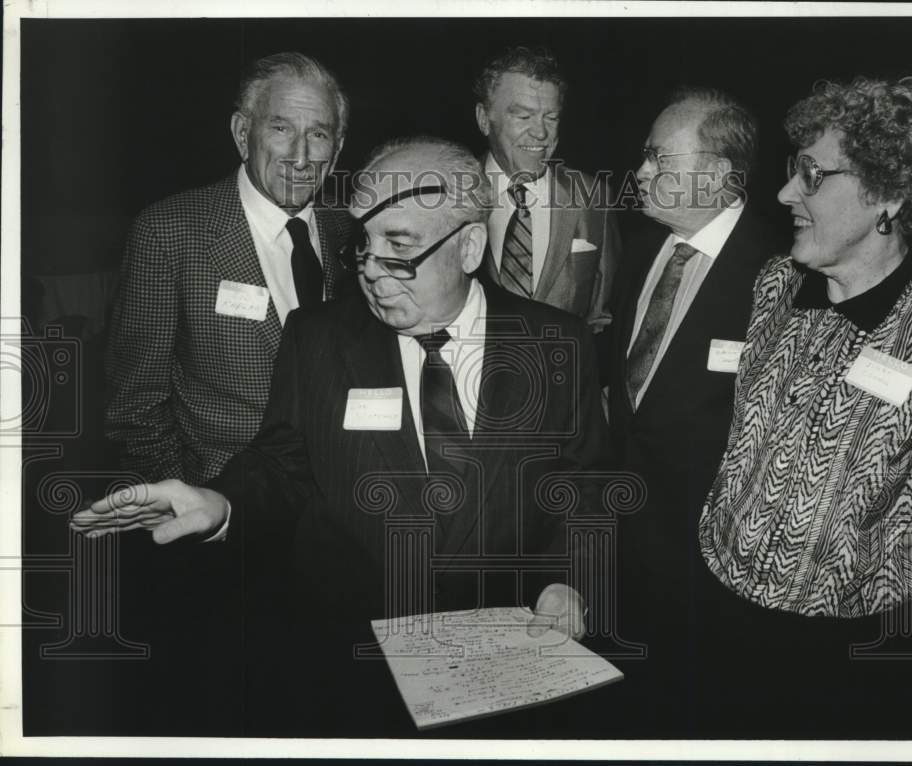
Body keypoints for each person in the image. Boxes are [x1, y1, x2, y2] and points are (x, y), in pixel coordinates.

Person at [74, 137, 604, 734]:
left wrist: (570, 579)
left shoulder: (559, 343)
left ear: (469, 246)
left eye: (398, 247)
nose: (372, 272)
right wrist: (221, 503)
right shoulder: (318, 338)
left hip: (508, 653)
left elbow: (580, 481)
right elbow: (283, 465)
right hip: (352, 661)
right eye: (364, 245)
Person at [694, 76, 912, 736]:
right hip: (715, 612)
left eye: (811, 177)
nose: (784, 193)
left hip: (846, 662)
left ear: (888, 194)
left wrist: (860, 579)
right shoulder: (776, 285)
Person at [104, 52, 353, 485]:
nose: (300, 156)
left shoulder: (349, 228)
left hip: (341, 504)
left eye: (318, 133)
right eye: (280, 128)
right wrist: (189, 511)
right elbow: (134, 407)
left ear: (338, 148)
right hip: (224, 511)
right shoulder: (170, 233)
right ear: (243, 133)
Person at [601, 88, 776, 669]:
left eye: (659, 158)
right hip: (616, 548)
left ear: (719, 173)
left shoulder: (785, 273)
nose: (641, 171)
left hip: (712, 573)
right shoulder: (642, 248)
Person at [474, 47, 620, 332]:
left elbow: (601, 317)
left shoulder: (593, 196)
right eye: (524, 117)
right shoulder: (448, 193)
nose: (541, 133)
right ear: (483, 118)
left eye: (551, 118)